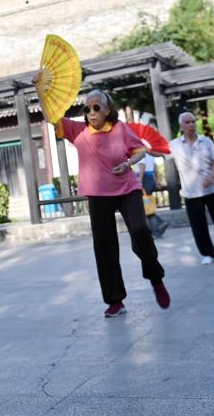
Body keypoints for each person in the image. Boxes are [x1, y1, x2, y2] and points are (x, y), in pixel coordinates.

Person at [31, 84, 170, 316]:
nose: (91, 112)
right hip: (98, 194)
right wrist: (39, 91)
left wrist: (127, 164)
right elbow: (51, 117)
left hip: (127, 189)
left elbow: (139, 151)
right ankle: (115, 300)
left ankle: (155, 279)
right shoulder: (78, 131)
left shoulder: (121, 129)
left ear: (107, 109)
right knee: (104, 248)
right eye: (87, 109)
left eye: (96, 107)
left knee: (140, 231)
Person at [168, 112, 214, 265]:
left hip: (213, 188)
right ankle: (207, 254)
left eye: (193, 121)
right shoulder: (174, 145)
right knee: (198, 225)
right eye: (187, 122)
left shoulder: (206, 141)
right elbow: (157, 151)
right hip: (191, 192)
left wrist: (212, 176)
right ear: (181, 126)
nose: (191, 124)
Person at [136, 152, 169, 238]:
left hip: (143, 179)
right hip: (150, 179)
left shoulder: (139, 150)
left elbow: (142, 165)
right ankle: (154, 230)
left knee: (145, 206)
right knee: (146, 205)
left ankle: (159, 224)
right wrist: (157, 181)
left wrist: (139, 180)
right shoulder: (150, 152)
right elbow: (155, 167)